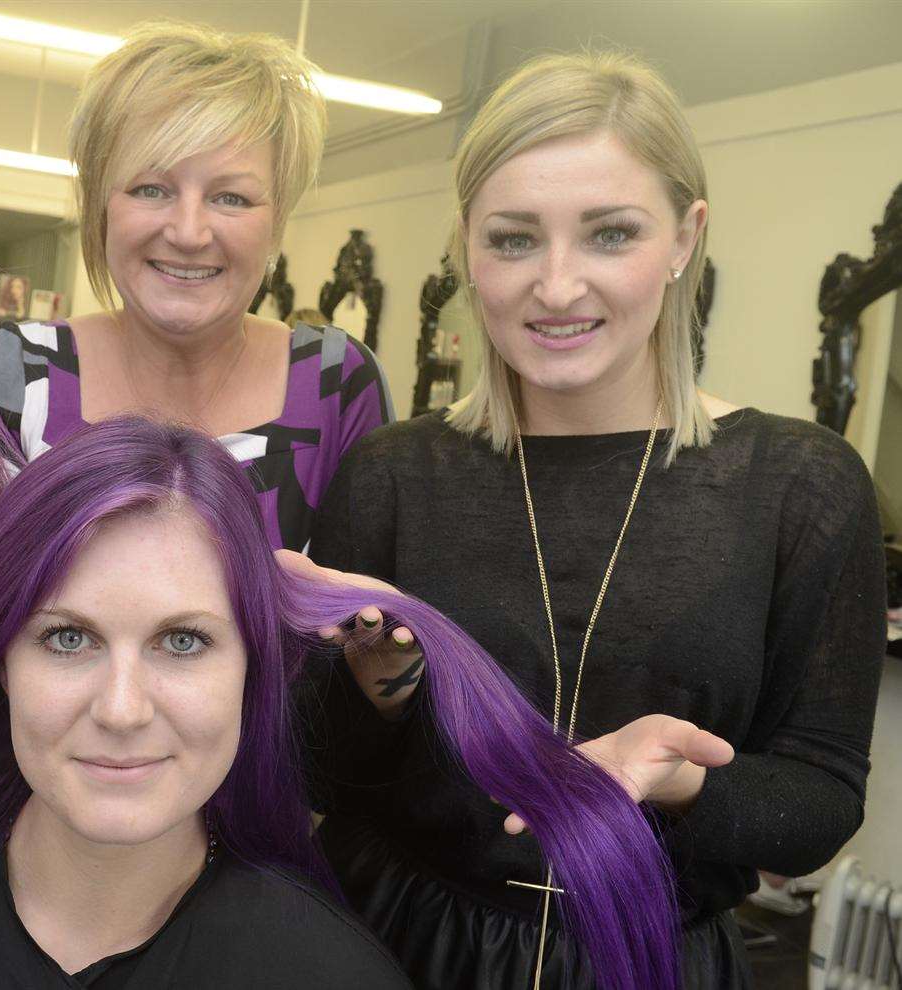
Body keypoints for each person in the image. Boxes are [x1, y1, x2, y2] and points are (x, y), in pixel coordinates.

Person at [0, 252, 705, 990]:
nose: (121, 710)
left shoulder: (325, 973)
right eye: (68, 637)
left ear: (251, 676)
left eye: (183, 641)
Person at [309, 51, 887, 989]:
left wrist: (679, 779)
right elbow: (319, 775)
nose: (558, 286)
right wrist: (376, 693)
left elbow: (819, 799)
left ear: (683, 238)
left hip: (647, 957)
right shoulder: (394, 474)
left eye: (610, 234)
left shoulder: (800, 485)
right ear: (466, 246)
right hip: (387, 944)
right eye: (513, 239)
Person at [0, 21, 392, 555]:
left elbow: (375, 634)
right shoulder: (17, 370)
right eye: (151, 188)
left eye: (232, 198)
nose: (189, 232)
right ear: (100, 207)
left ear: (278, 220)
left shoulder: (336, 386)